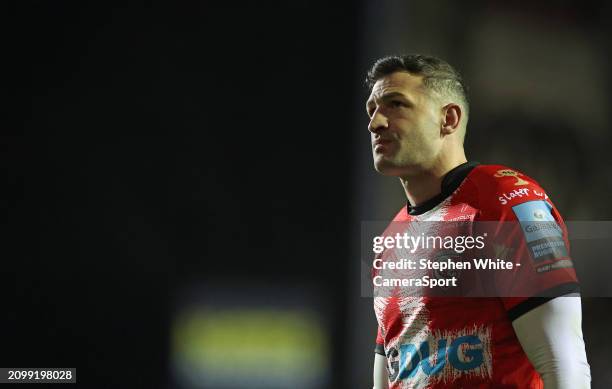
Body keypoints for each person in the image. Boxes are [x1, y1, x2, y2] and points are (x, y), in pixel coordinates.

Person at [366, 54, 591, 388]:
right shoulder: (390, 242)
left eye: (396, 104)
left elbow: (565, 364)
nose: (375, 123)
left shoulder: (508, 203)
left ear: (449, 119)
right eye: (371, 110)